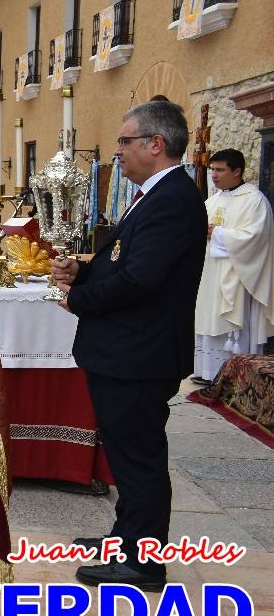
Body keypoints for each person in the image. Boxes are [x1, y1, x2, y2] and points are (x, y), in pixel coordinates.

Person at [51, 100, 207, 591]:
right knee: (127, 453)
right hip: (130, 349)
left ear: (155, 144)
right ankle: (127, 539)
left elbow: (142, 279)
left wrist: (79, 298)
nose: (117, 151)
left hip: (140, 352)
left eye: (125, 141)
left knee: (139, 458)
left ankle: (143, 561)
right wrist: (83, 270)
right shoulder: (155, 195)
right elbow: (121, 259)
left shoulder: (173, 199)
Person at [192, 149, 274, 382]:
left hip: (238, 275)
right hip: (210, 275)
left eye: (220, 170)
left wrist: (218, 233)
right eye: (212, 170)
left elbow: (256, 237)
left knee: (231, 321)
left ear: (237, 171)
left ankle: (234, 376)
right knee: (207, 318)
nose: (214, 175)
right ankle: (206, 372)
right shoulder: (212, 201)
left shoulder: (254, 200)